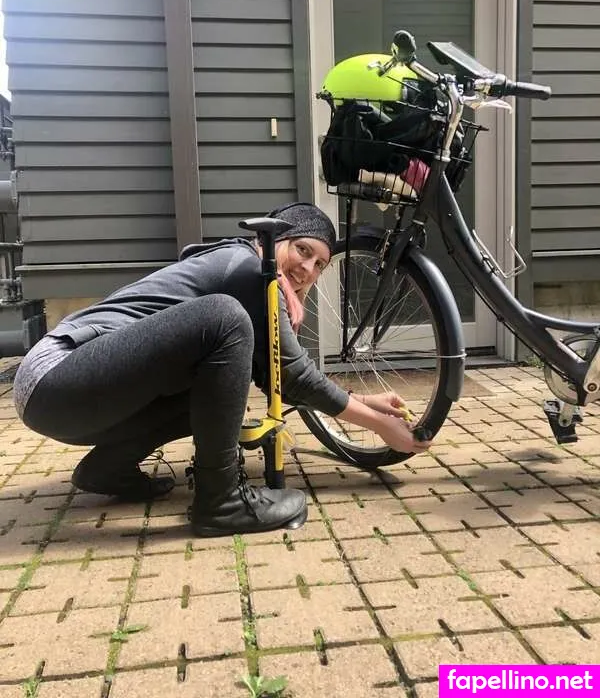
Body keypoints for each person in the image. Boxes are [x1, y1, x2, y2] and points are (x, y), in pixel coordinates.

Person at [12, 202, 430, 537]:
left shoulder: (250, 274)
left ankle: (107, 469)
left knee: (218, 385)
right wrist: (379, 425)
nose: (308, 269)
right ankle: (222, 501)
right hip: (57, 377)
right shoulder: (246, 267)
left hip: (72, 400)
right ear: (274, 238)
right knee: (225, 318)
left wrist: (363, 401)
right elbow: (296, 373)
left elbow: (279, 378)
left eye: (320, 264)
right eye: (303, 250)